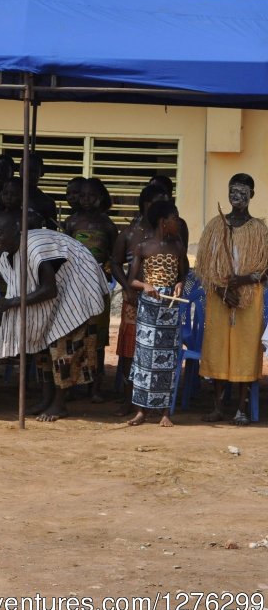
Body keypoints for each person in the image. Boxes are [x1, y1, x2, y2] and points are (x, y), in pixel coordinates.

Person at [0, 211, 108, 422]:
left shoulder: (34, 249)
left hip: (76, 290)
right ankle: (46, 399)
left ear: (15, 230)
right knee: (42, 348)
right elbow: (19, 289)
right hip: (57, 295)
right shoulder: (6, 257)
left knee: (63, 348)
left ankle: (59, 405)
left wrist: (11, 303)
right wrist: (0, 304)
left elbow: (49, 290)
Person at [194, 173, 268, 425]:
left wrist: (244, 280)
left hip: (248, 300)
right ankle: (217, 407)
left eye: (242, 192)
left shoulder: (259, 229)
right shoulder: (216, 225)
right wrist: (220, 290)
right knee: (218, 348)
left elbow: (266, 269)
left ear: (252, 195)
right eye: (232, 191)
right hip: (219, 297)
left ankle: (241, 408)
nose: (236, 196)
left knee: (245, 350)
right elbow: (204, 266)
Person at [110, 185, 171, 415]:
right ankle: (129, 399)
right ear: (145, 204)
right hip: (135, 298)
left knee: (161, 349)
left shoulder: (172, 233)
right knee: (130, 350)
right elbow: (115, 262)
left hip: (162, 301)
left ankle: (156, 401)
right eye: (158, 202)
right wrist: (127, 289)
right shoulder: (129, 233)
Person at [126, 201, 188, 427]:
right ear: (164, 222)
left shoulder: (178, 247)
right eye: (175, 218)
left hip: (170, 311)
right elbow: (131, 280)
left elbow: (183, 275)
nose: (179, 222)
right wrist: (145, 286)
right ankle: (141, 411)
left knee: (168, 360)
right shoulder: (143, 247)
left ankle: (164, 412)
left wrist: (180, 284)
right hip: (149, 310)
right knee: (145, 360)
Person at [63, 178, 119, 397]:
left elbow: (115, 257)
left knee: (97, 337)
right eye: (83, 196)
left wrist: (105, 268)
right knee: (73, 334)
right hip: (74, 286)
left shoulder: (107, 225)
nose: (86, 200)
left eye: (92, 196)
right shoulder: (71, 222)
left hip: (98, 286)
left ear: (101, 198)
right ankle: (70, 384)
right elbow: (64, 253)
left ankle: (95, 387)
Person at [17, 152, 58, 229]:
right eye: (24, 169)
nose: (27, 174)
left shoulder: (47, 203)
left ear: (42, 173)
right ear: (19, 170)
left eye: (33, 171)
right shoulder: (8, 195)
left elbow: (52, 232)